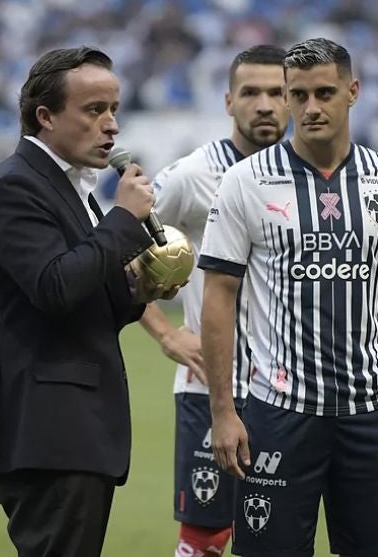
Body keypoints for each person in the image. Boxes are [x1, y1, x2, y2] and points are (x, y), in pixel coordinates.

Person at [200, 37, 378, 557]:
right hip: (281, 411)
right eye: (299, 94)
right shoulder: (245, 182)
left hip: (371, 413)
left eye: (325, 93)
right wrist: (222, 409)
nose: (310, 108)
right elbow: (218, 295)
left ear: (353, 92)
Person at [0, 46, 174, 556]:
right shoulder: (15, 186)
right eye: (94, 110)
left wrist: (138, 290)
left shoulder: (70, 189)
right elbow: (54, 287)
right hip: (47, 434)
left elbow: (84, 300)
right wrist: (123, 221)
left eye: (114, 109)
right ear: (45, 116)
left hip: (72, 433)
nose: (112, 125)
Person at [137, 44, 289, 556]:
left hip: (295, 394)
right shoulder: (193, 174)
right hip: (211, 388)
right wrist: (165, 331)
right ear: (229, 101)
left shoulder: (308, 177)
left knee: (278, 537)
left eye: (277, 92)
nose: (264, 104)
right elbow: (116, 252)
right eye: (251, 92)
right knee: (204, 540)